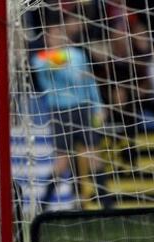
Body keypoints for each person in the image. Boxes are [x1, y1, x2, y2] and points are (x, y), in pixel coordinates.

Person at [31, 24, 105, 209]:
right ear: (47, 38)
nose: (56, 37)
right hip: (59, 111)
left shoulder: (78, 55)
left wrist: (99, 106)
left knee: (92, 156)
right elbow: (52, 72)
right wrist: (67, 64)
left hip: (83, 108)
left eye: (60, 33)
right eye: (53, 34)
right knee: (62, 161)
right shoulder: (40, 59)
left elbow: (89, 82)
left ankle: (108, 204)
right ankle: (43, 206)